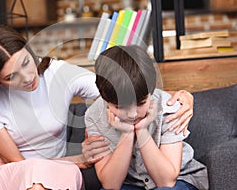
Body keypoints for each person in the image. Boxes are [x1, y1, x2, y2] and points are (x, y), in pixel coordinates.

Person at [0, 25, 195, 190]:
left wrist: (180, 96)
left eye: (26, 62)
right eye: (12, 77)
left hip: (55, 170)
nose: (29, 76)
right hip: (11, 172)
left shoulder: (57, 74)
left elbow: (119, 90)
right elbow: (18, 164)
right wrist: (78, 159)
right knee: (36, 182)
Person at [85, 45, 208, 190]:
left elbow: (166, 181)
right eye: (120, 107)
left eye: (141, 103)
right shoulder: (94, 116)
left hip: (181, 178)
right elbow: (111, 185)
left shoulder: (169, 108)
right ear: (105, 99)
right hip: (129, 184)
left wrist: (142, 130)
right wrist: (127, 133)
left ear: (151, 92)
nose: (132, 114)